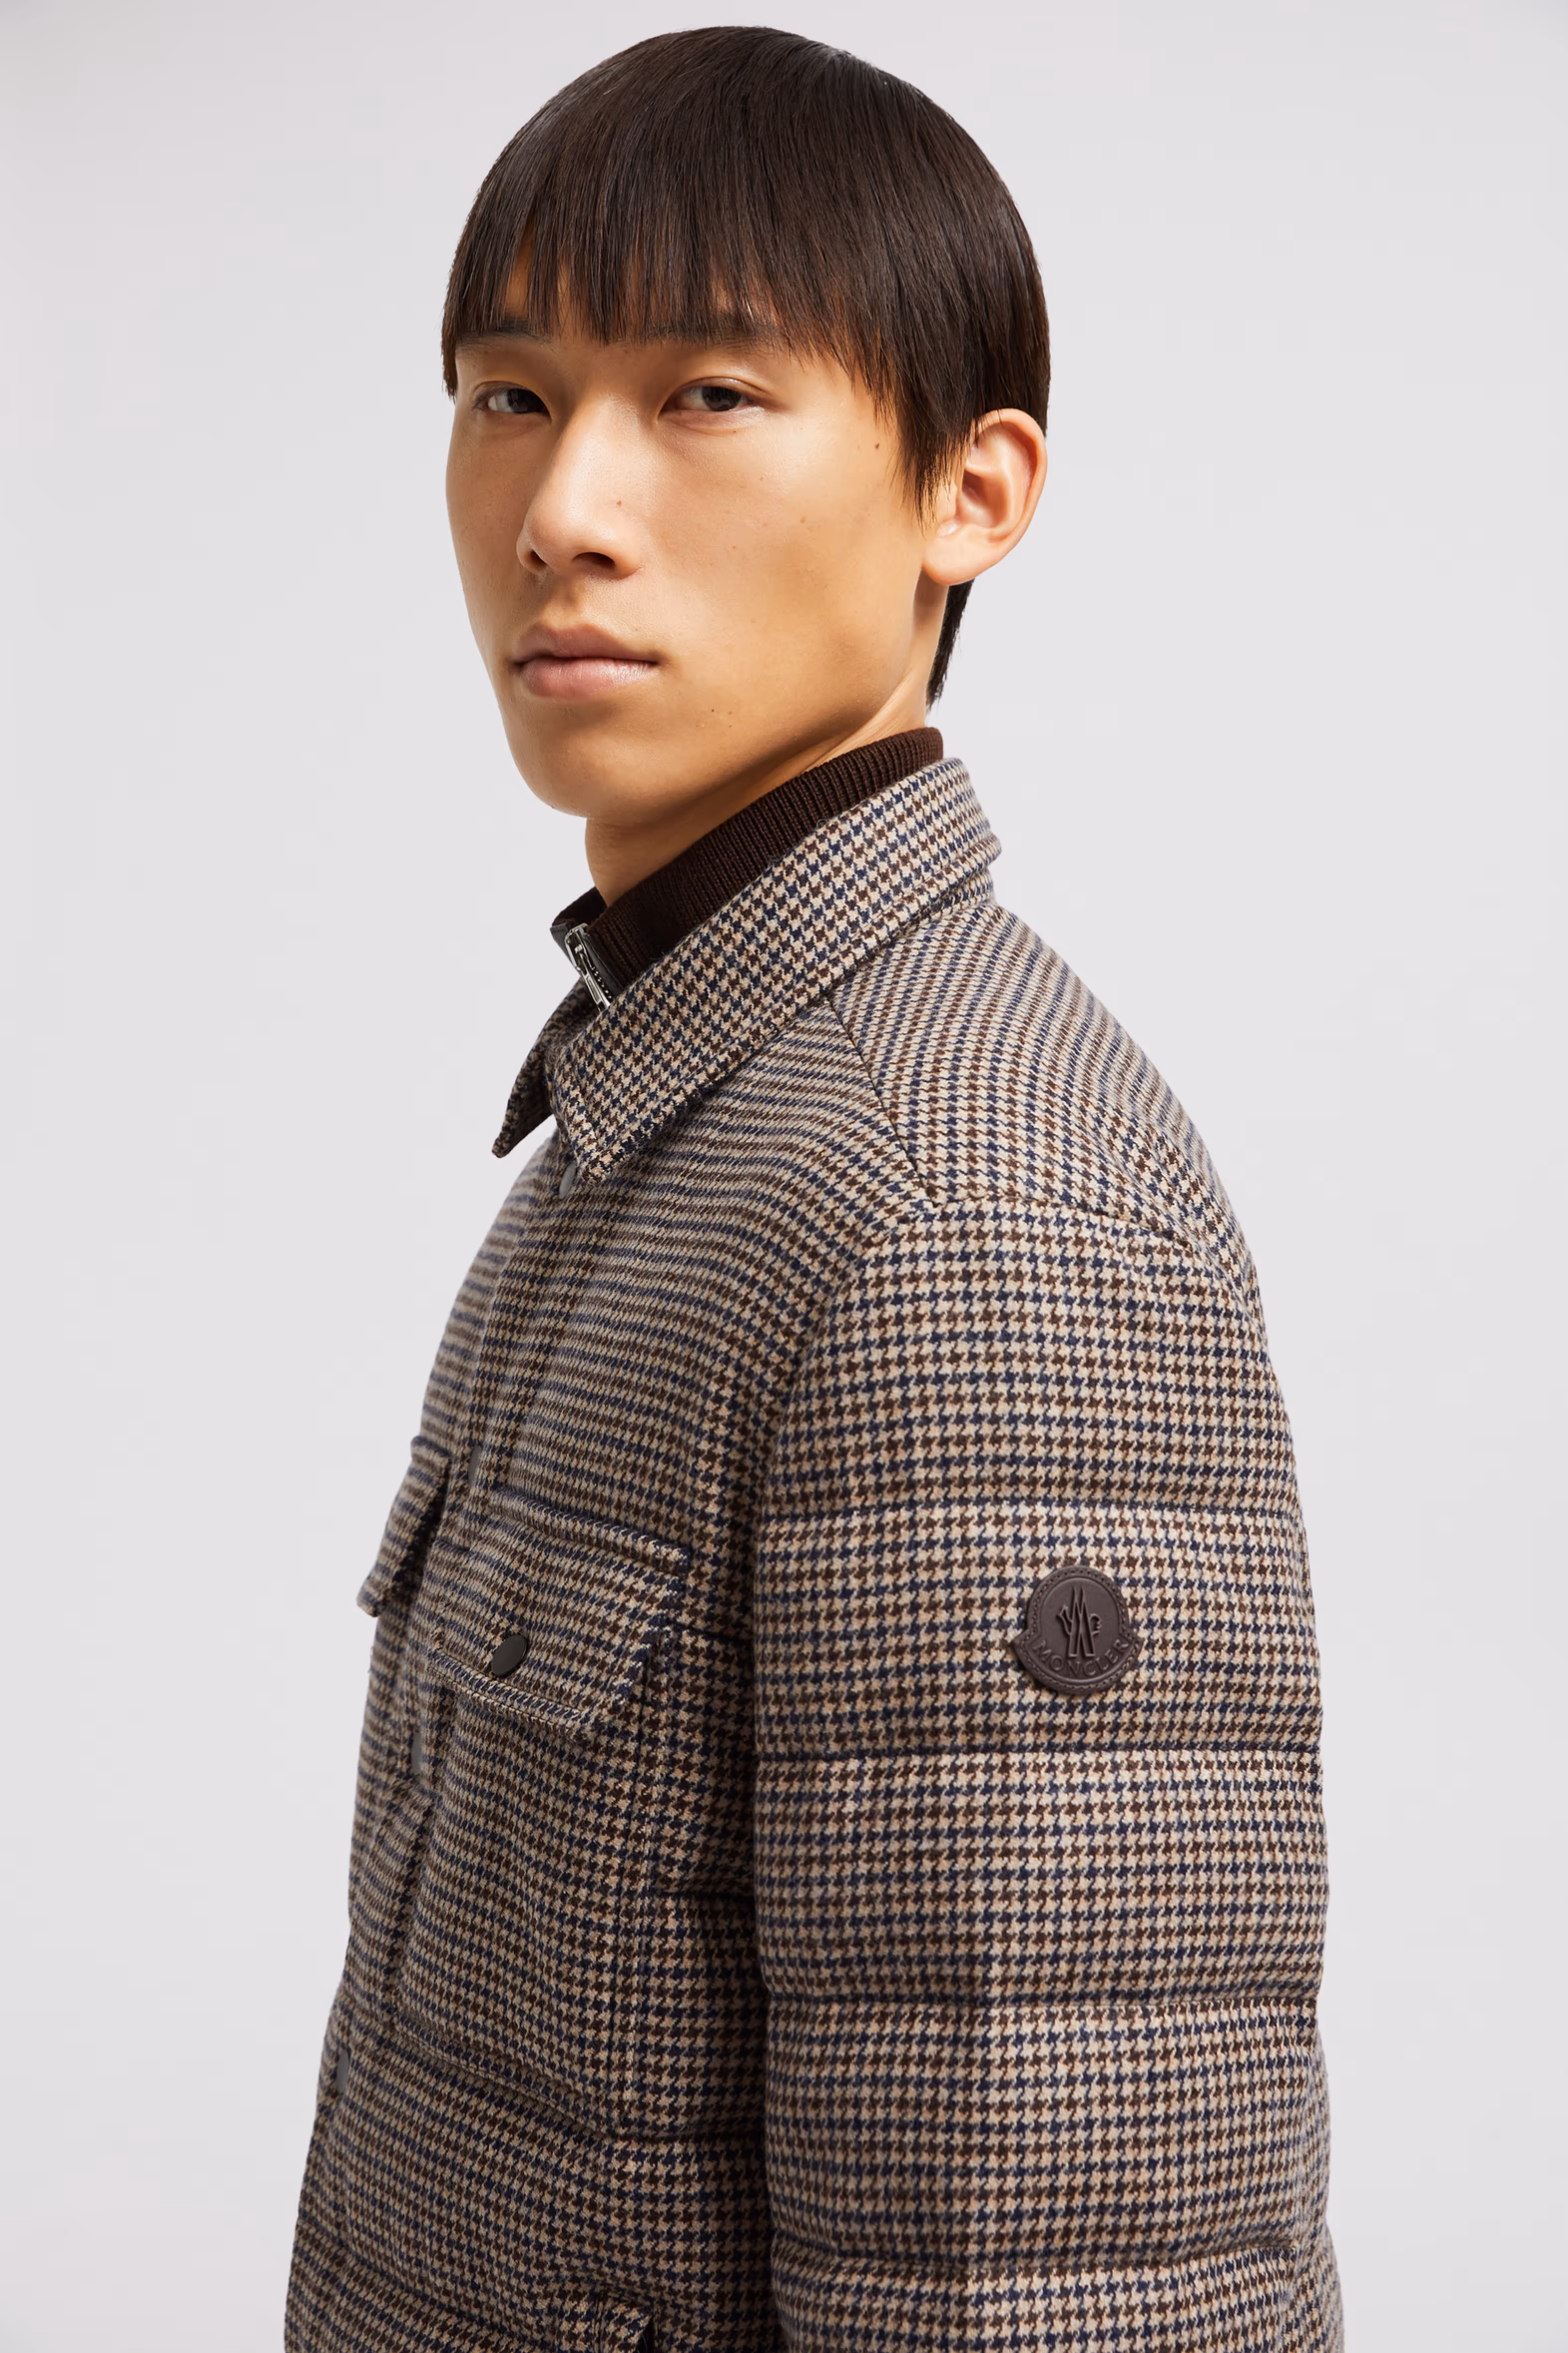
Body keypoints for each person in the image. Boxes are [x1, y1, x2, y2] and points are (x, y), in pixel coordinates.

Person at [286, 27, 1339, 2352]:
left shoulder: (961, 1212)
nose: (565, 508)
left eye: (705, 396)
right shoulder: (681, 1108)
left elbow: (1035, 2283)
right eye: (509, 396)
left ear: (971, 489)